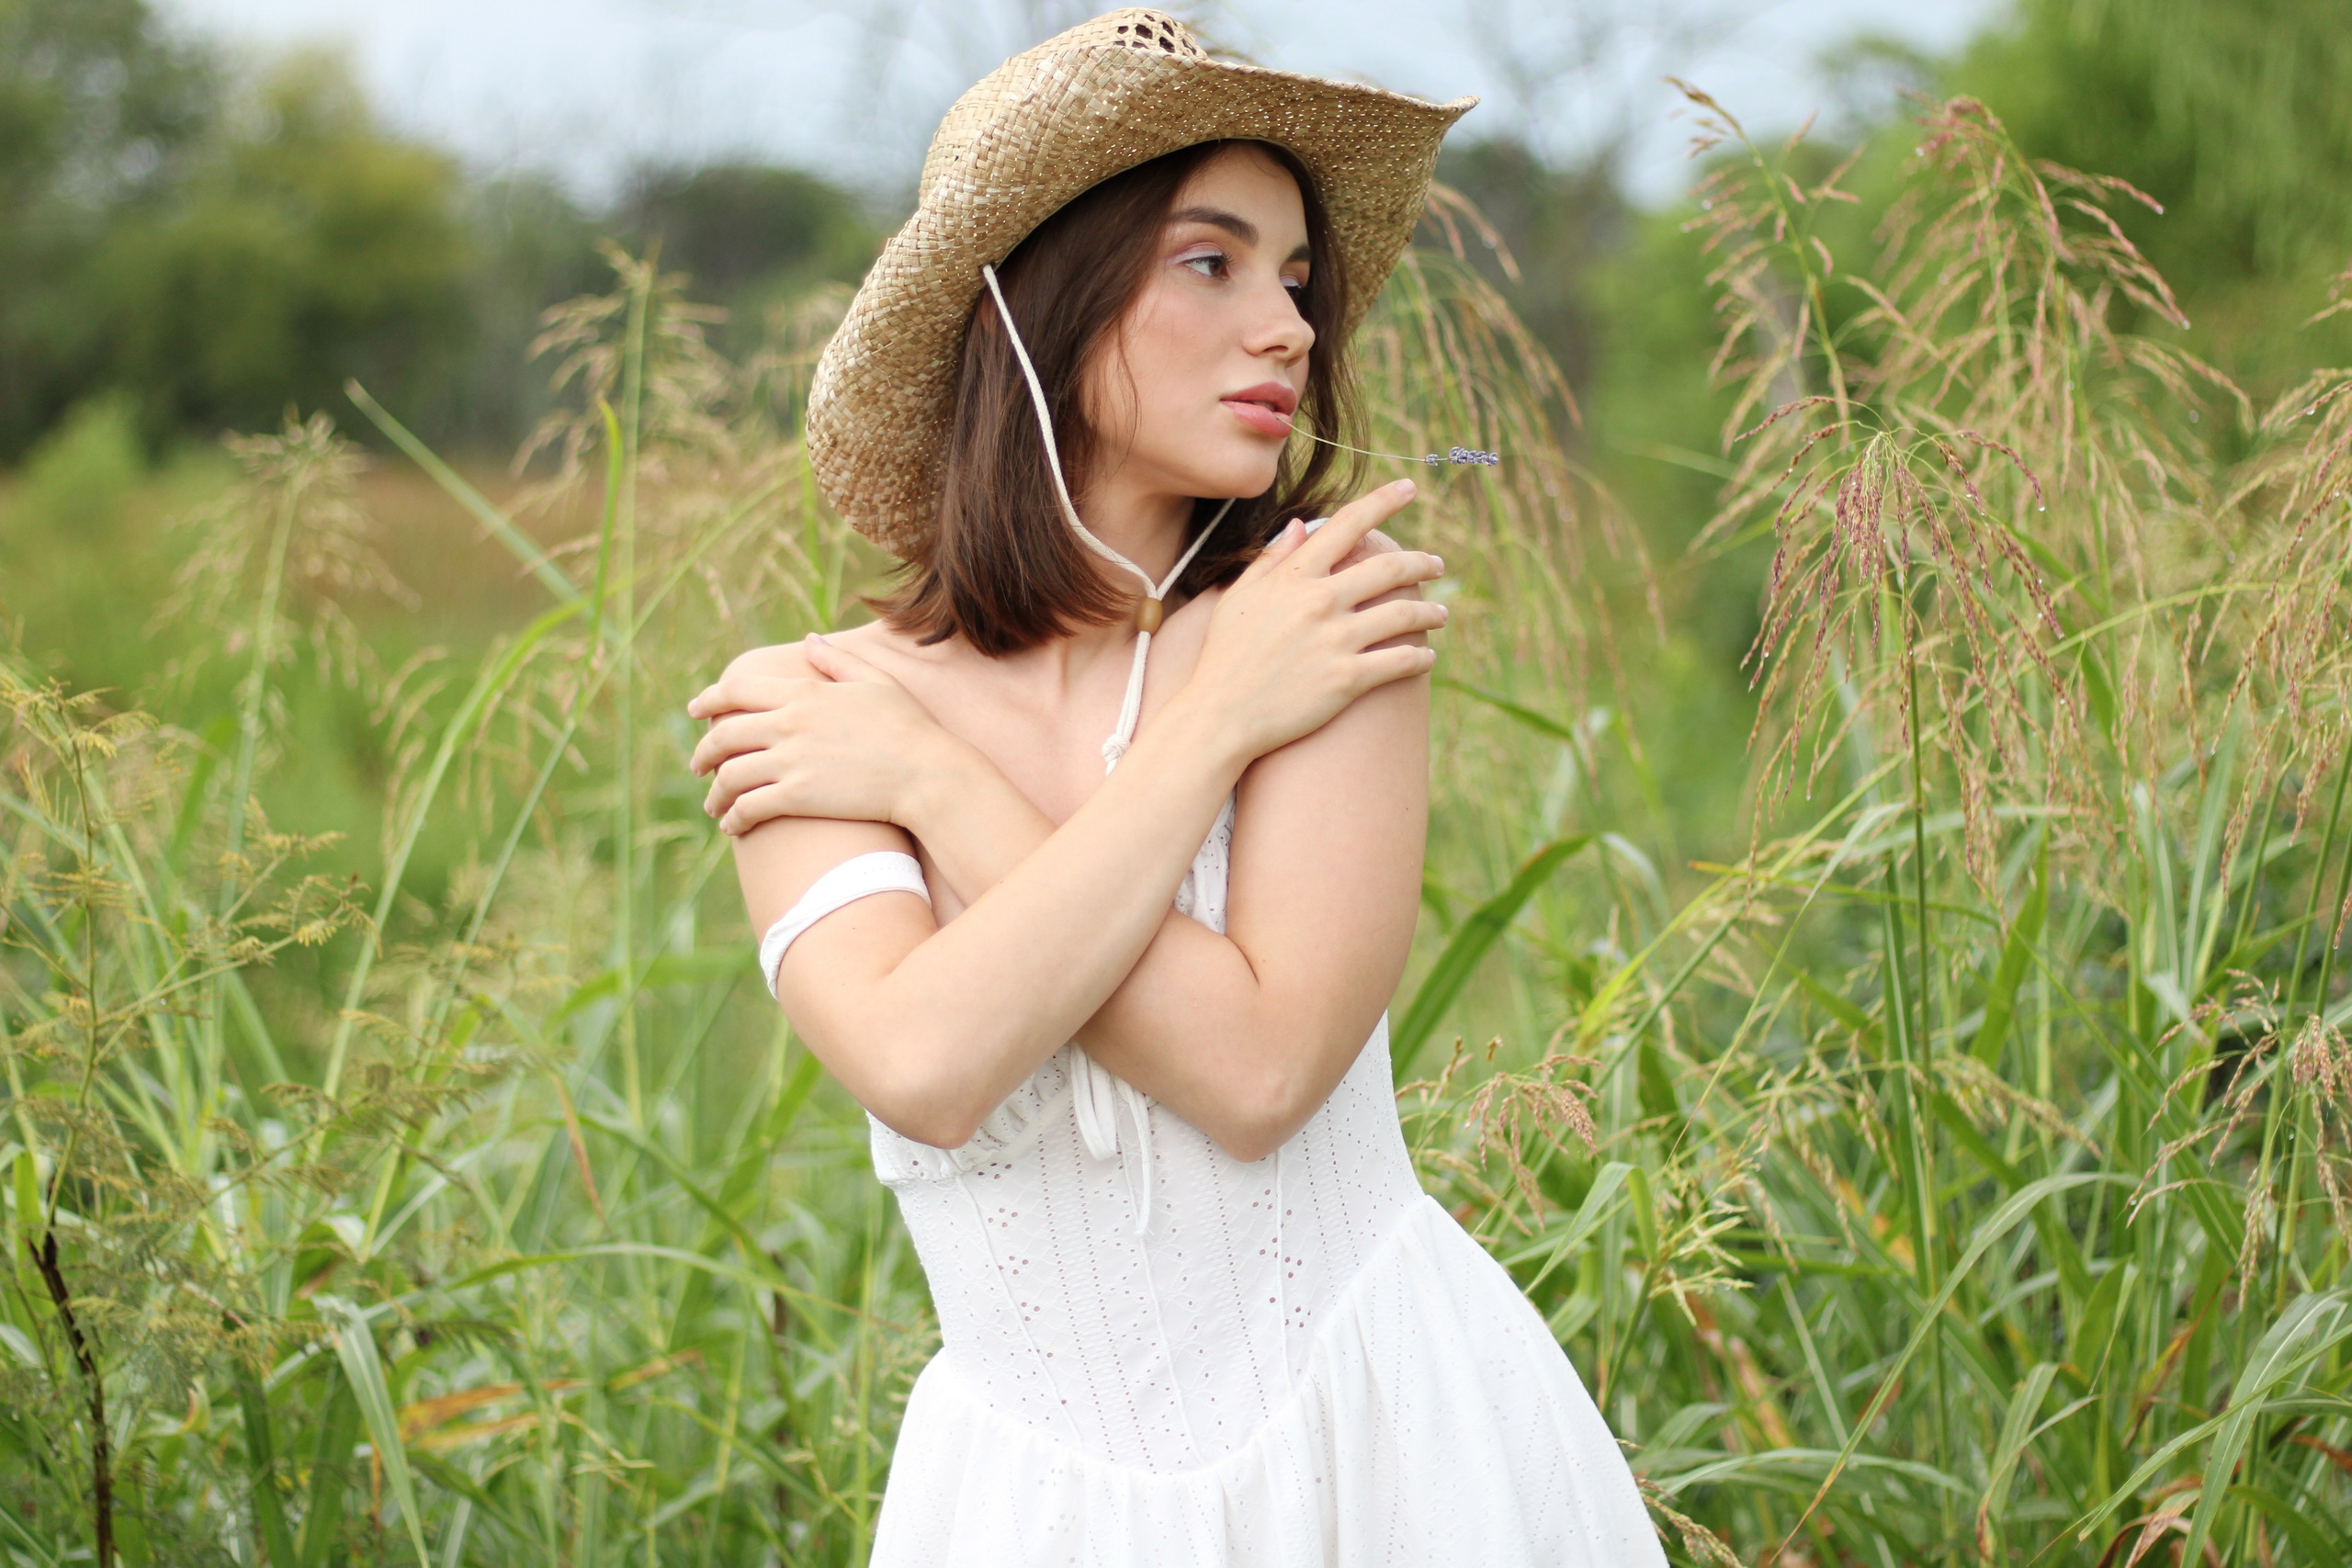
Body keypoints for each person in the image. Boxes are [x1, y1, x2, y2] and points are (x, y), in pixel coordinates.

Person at [685, 11, 1663, 1563]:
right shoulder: (815, 711)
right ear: (1041, 305)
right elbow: (926, 1061)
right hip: (1028, 1514)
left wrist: (962, 783)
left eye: (1293, 280)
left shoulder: (1323, 623)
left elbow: (1266, 1072)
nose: (1283, 326)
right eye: (1210, 263)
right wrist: (1194, 739)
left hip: (1386, 1460)